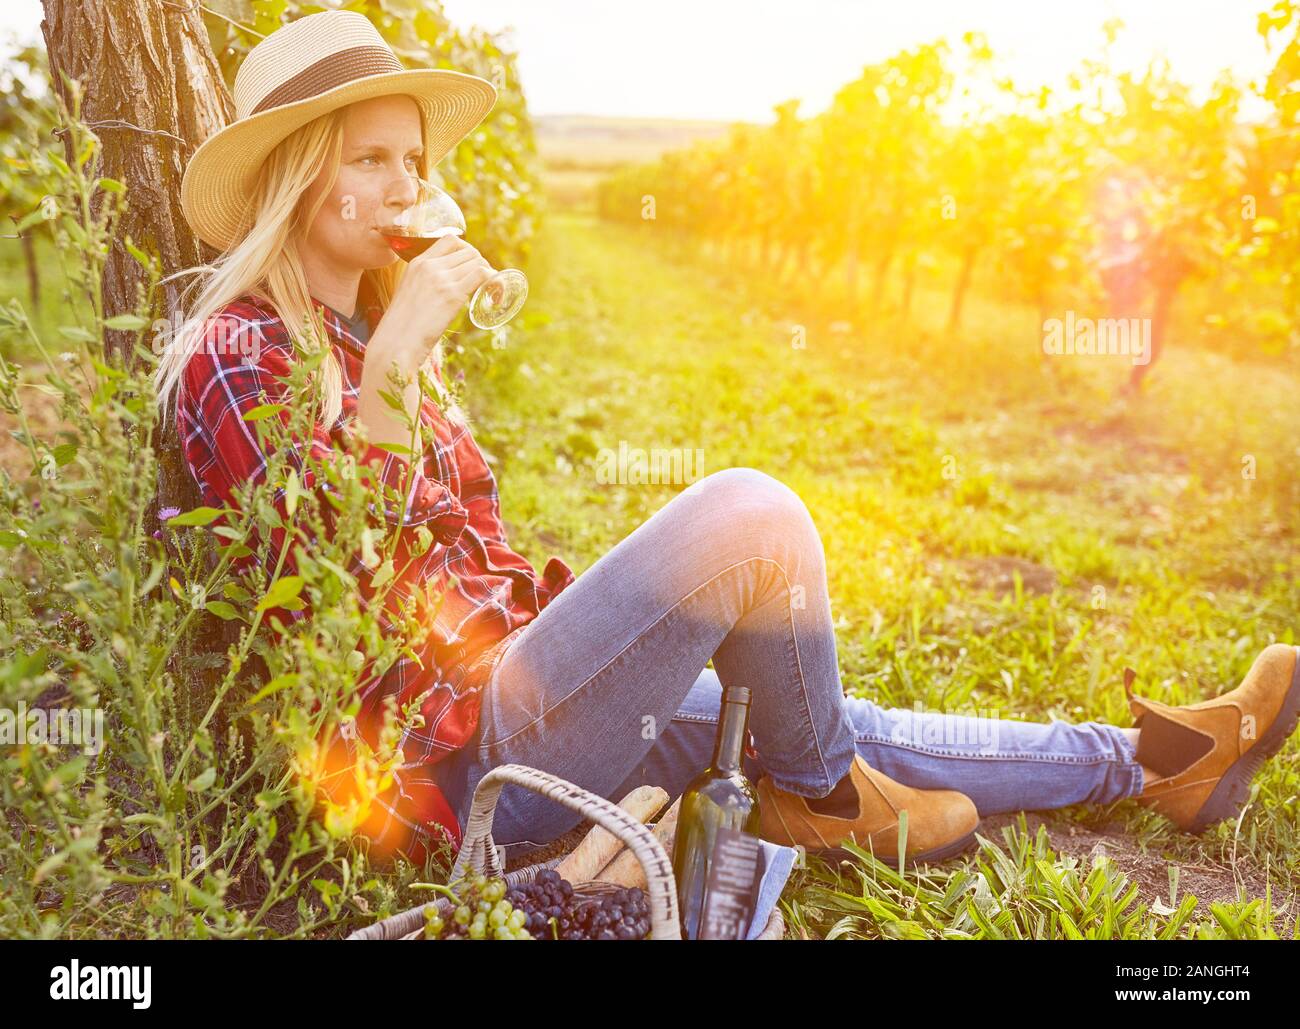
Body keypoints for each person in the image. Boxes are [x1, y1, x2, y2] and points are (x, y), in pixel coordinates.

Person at [159, 11, 1300, 873]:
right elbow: (322, 611)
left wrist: (597, 632)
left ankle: (1158, 763)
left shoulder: (364, 327)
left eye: (414, 158)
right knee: (750, 517)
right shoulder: (235, 355)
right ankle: (819, 796)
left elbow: (460, 560)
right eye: (371, 159)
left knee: (843, 723)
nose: (409, 183)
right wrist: (401, 367)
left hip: (513, 694)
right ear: (295, 173)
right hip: (456, 772)